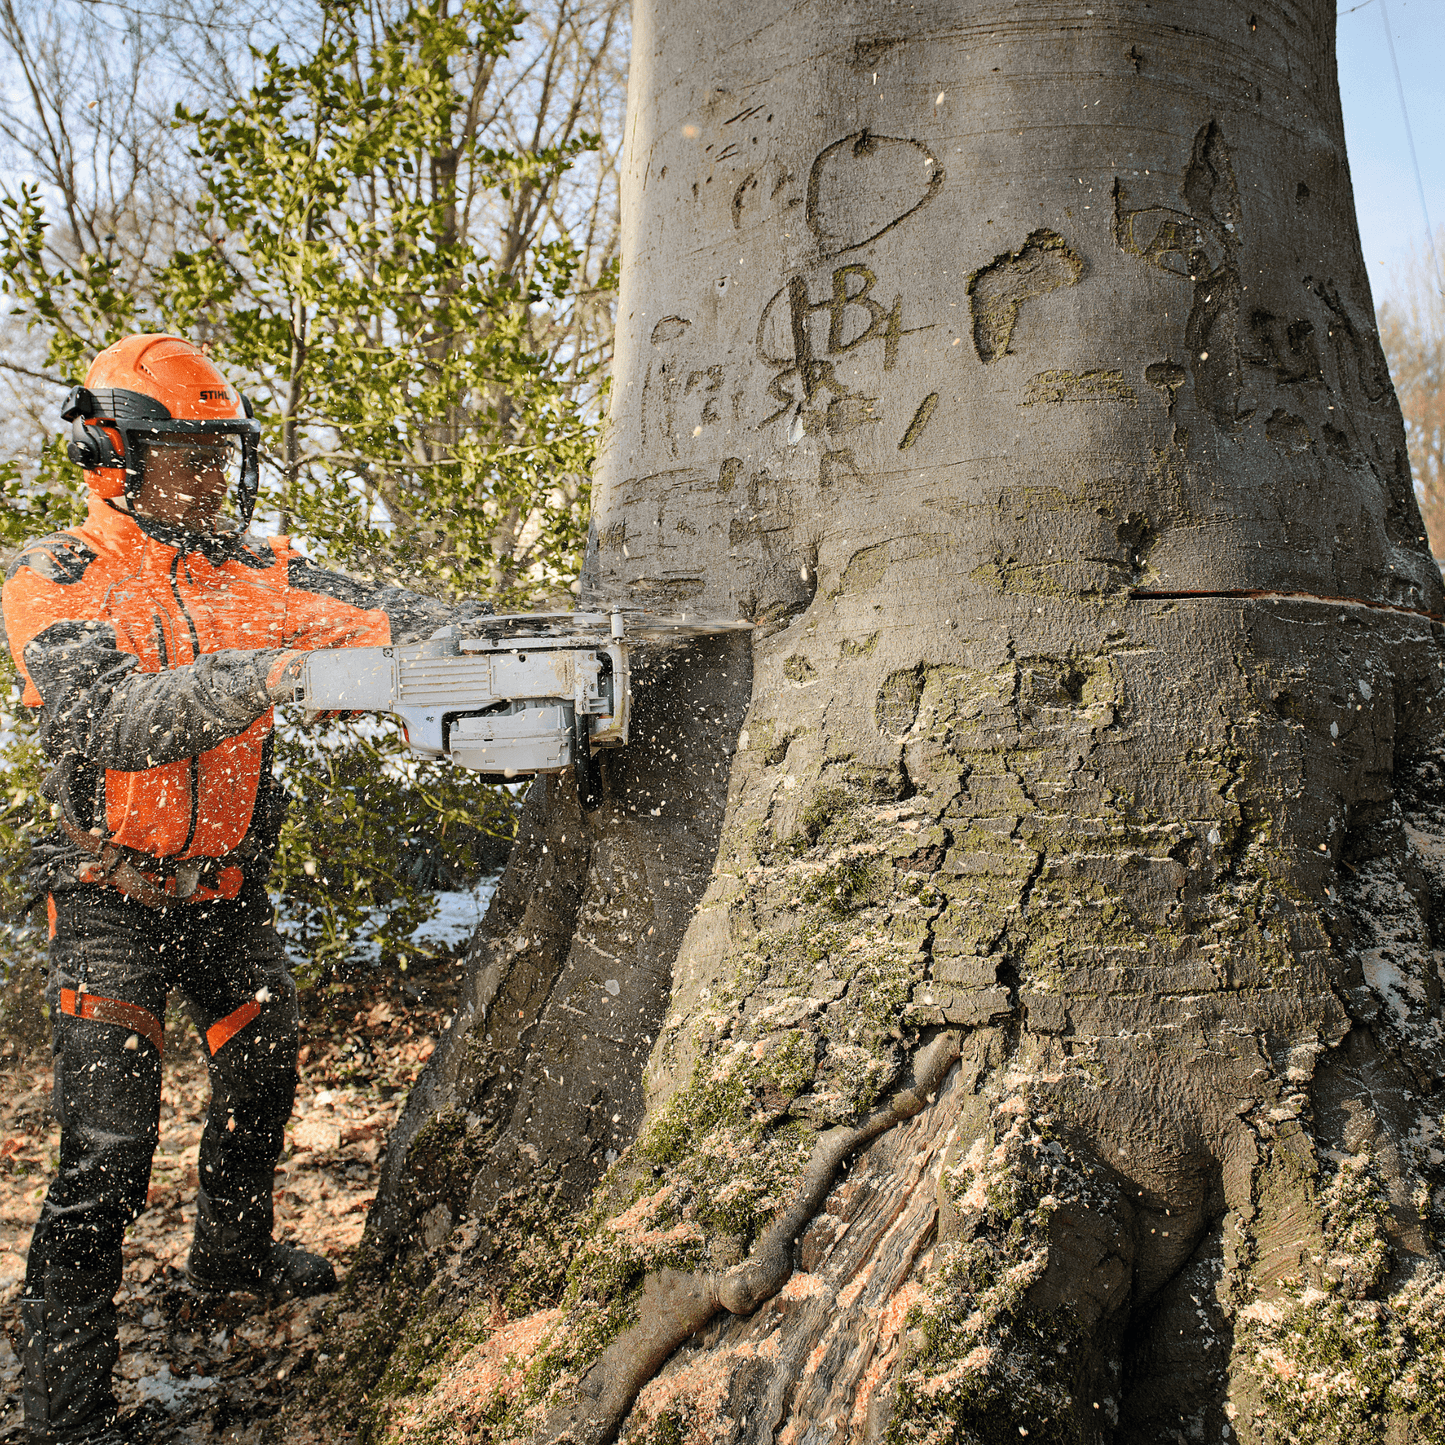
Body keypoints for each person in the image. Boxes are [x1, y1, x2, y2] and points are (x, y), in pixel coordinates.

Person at [2, 334, 479, 1444]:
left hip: (224, 894)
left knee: (263, 1066)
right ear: (115, 455)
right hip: (110, 900)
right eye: (190, 456)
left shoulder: (262, 572)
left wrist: (479, 636)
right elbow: (107, 721)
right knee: (107, 1159)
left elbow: (392, 612)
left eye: (224, 454)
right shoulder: (54, 578)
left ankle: (233, 1249)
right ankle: (65, 1411)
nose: (215, 478)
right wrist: (267, 673)